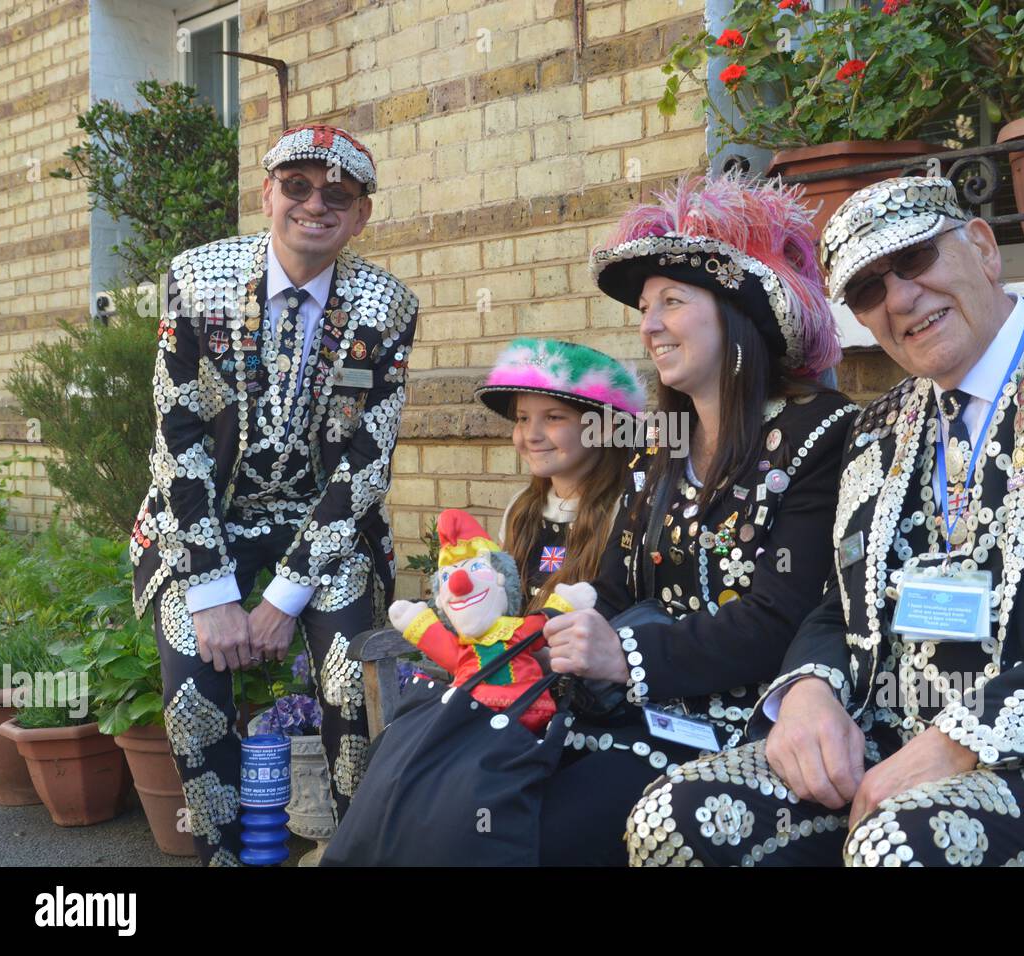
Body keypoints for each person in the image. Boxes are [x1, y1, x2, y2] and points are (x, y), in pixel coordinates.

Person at [629, 175, 1024, 867]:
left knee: (900, 846)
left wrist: (964, 740)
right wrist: (807, 692)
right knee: (675, 818)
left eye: (914, 261)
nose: (901, 298)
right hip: (893, 749)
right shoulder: (879, 427)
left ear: (982, 248)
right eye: (867, 291)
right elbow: (838, 607)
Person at [532, 171, 859, 864]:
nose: (649, 325)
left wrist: (625, 656)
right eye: (645, 308)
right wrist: (556, 622)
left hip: (747, 731)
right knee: (492, 789)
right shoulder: (662, 443)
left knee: (552, 831)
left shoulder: (821, 434)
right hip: (640, 713)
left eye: (672, 302)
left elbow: (782, 618)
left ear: (737, 314)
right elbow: (617, 587)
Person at [128, 124, 419, 865]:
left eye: (337, 194)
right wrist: (215, 590)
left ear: (361, 216)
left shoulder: (386, 308)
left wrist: (282, 598)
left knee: (355, 678)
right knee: (193, 691)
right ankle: (224, 857)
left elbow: (364, 465)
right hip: (204, 522)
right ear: (267, 193)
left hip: (324, 522)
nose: (314, 204)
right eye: (295, 186)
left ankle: (355, 852)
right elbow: (178, 441)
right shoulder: (192, 278)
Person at [475, 338, 643, 607]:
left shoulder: (622, 514)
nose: (531, 435)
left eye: (553, 417)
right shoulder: (520, 508)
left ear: (603, 429)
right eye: (523, 418)